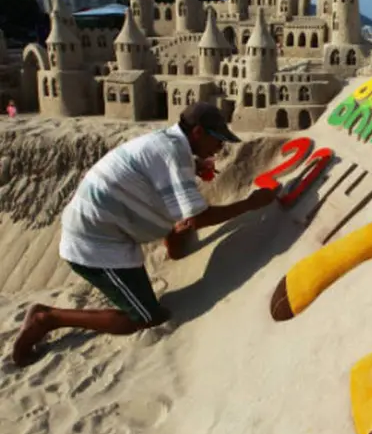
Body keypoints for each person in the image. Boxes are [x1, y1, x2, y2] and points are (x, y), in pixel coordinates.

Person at [12, 102, 278, 366]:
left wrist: (192, 169)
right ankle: (47, 319)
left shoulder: (168, 143)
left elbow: (158, 180)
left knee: (180, 210)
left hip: (102, 225)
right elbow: (198, 218)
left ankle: (172, 238)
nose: (220, 148)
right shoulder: (174, 155)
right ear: (197, 132)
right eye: (217, 139)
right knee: (143, 317)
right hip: (95, 242)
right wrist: (251, 204)